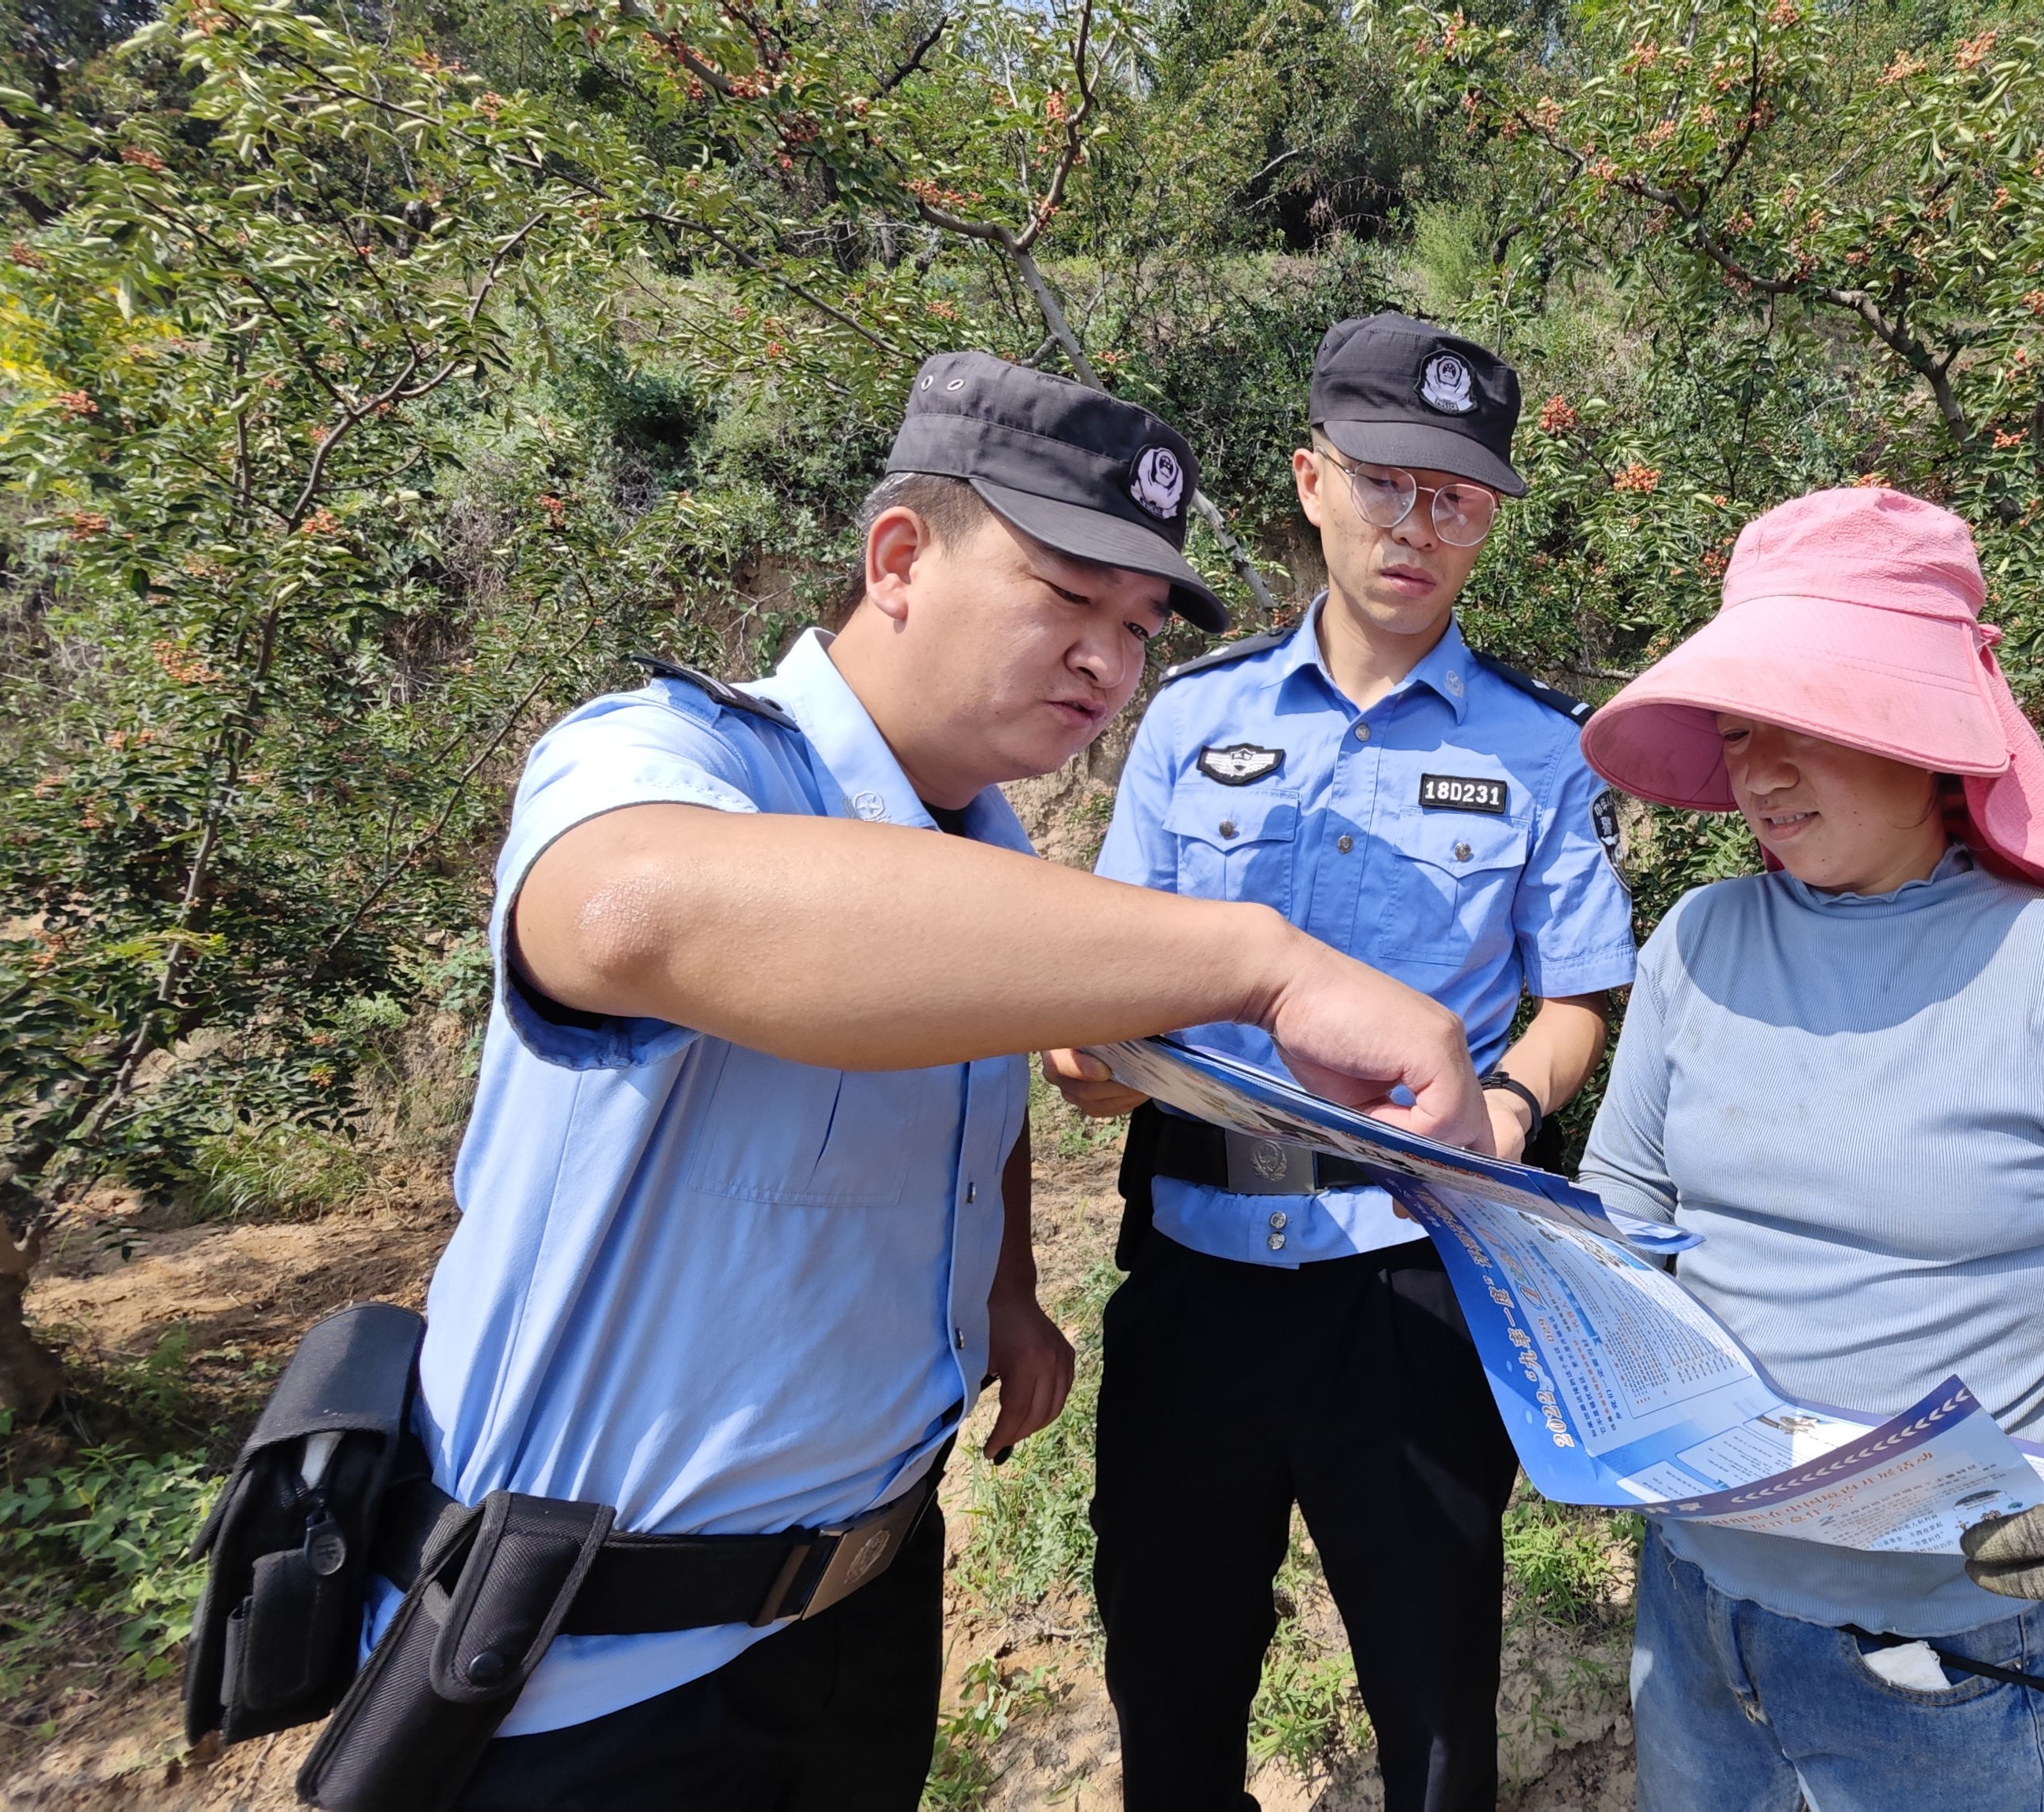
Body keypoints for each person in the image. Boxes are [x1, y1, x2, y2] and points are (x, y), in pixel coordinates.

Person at [400, 352, 1490, 1812]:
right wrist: (1265, 962)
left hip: (864, 1602)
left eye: (1139, 626)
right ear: (900, 558)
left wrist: (1009, 1289)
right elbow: (629, 913)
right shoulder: (676, 755)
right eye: (1065, 596)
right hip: (597, 1671)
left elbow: (971, 1094)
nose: (1109, 661)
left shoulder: (995, 869)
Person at [1569, 487, 2044, 1812]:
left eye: (1805, 724)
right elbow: (1626, 1200)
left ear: (1929, 734)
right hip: (1697, 1610)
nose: (1757, 774)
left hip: (1955, 1656)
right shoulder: (1700, 943)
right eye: (1736, 728)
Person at [1042, 314, 1637, 1812]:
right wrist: (1093, 1057)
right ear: (1313, 482)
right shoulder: (1188, 718)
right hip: (1196, 1265)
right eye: (1387, 482)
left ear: (1489, 521)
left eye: (1458, 497)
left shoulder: (1545, 750)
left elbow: (1575, 1001)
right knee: (1171, 1683)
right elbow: (1102, 980)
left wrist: (1507, 1104)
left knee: (1434, 1705)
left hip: (1417, 1272)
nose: (1418, 526)